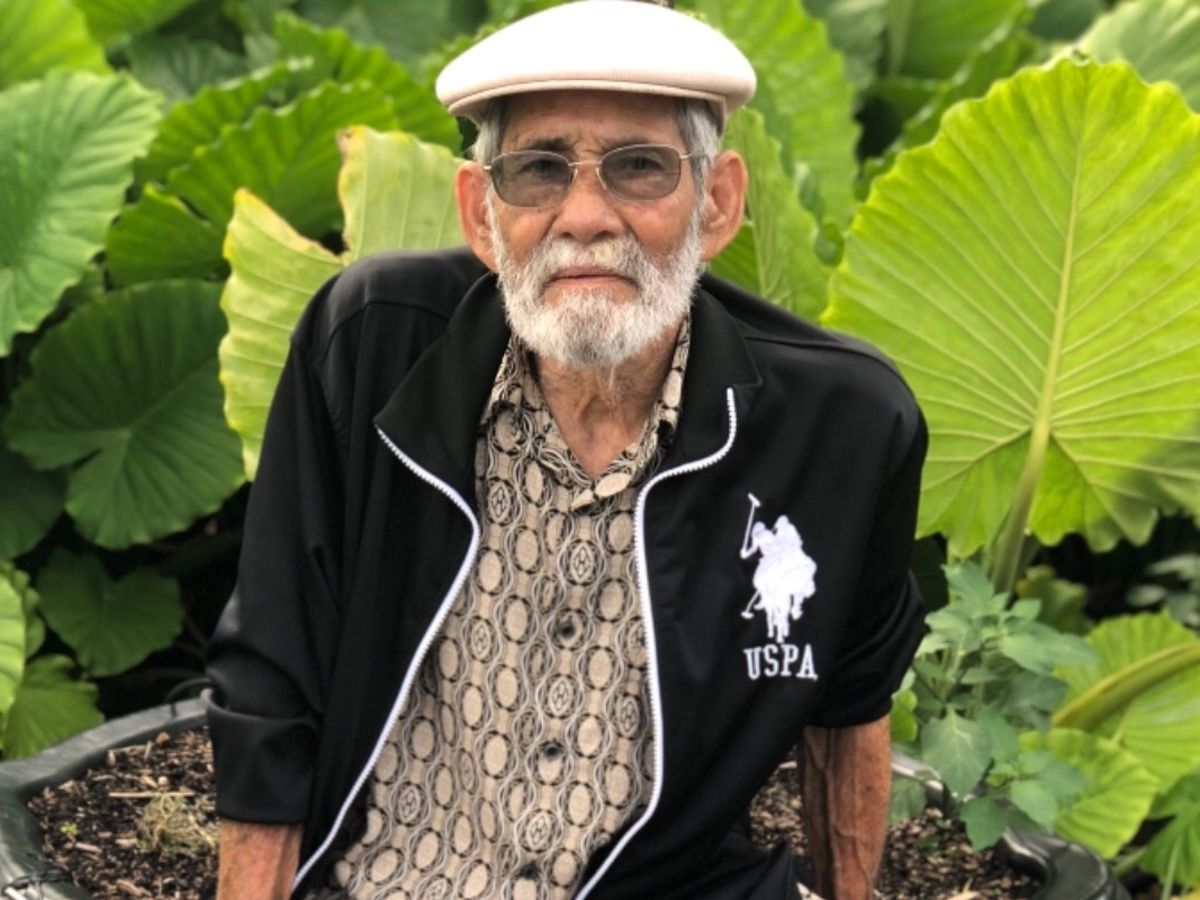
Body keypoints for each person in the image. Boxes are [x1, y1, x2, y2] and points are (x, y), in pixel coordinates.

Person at [205, 2, 927, 898]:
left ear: (717, 204)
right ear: (481, 214)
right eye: (539, 170)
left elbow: (851, 708)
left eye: (639, 166)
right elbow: (272, 680)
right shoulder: (372, 346)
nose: (585, 216)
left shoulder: (842, 425)